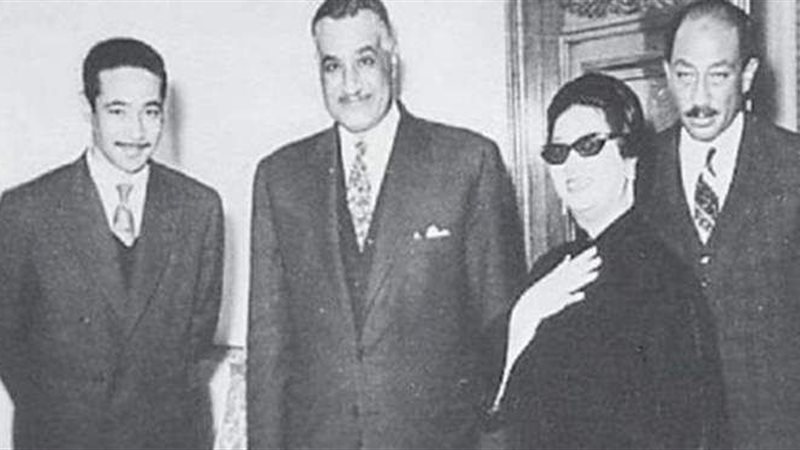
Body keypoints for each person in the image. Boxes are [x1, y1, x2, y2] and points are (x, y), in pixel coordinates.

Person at [246, 0, 526, 448]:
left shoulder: (468, 162)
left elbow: (501, 337)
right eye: (333, 66)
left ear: (392, 55)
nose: (350, 85)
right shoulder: (280, 178)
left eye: (365, 60)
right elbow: (268, 349)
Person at [0, 37, 224, 449]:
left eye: (150, 111)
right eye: (118, 111)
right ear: (88, 108)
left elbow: (196, 339)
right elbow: (9, 342)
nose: (137, 131)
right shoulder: (25, 211)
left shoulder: (199, 209)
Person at [490, 73, 725, 449]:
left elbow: (690, 430)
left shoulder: (663, 278)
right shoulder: (549, 270)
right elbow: (490, 408)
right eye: (558, 152)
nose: (571, 165)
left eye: (589, 146)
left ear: (630, 158)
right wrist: (523, 317)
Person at [638, 0, 800, 447]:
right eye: (685, 75)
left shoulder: (793, 167)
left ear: (747, 76)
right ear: (667, 73)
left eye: (719, 75)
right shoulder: (639, 171)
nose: (700, 98)